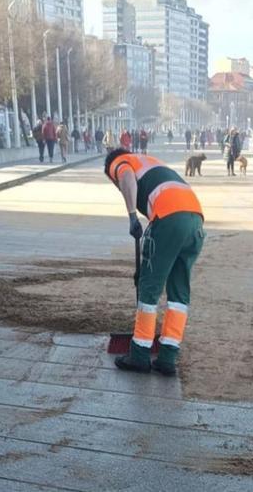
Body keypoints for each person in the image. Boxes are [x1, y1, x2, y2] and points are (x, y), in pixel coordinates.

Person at [104, 148, 205, 375]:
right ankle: (167, 358)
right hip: (196, 221)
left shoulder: (120, 162)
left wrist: (132, 217)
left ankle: (139, 355)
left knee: (149, 287)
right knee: (179, 293)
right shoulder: (149, 161)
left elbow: (127, 178)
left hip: (169, 218)